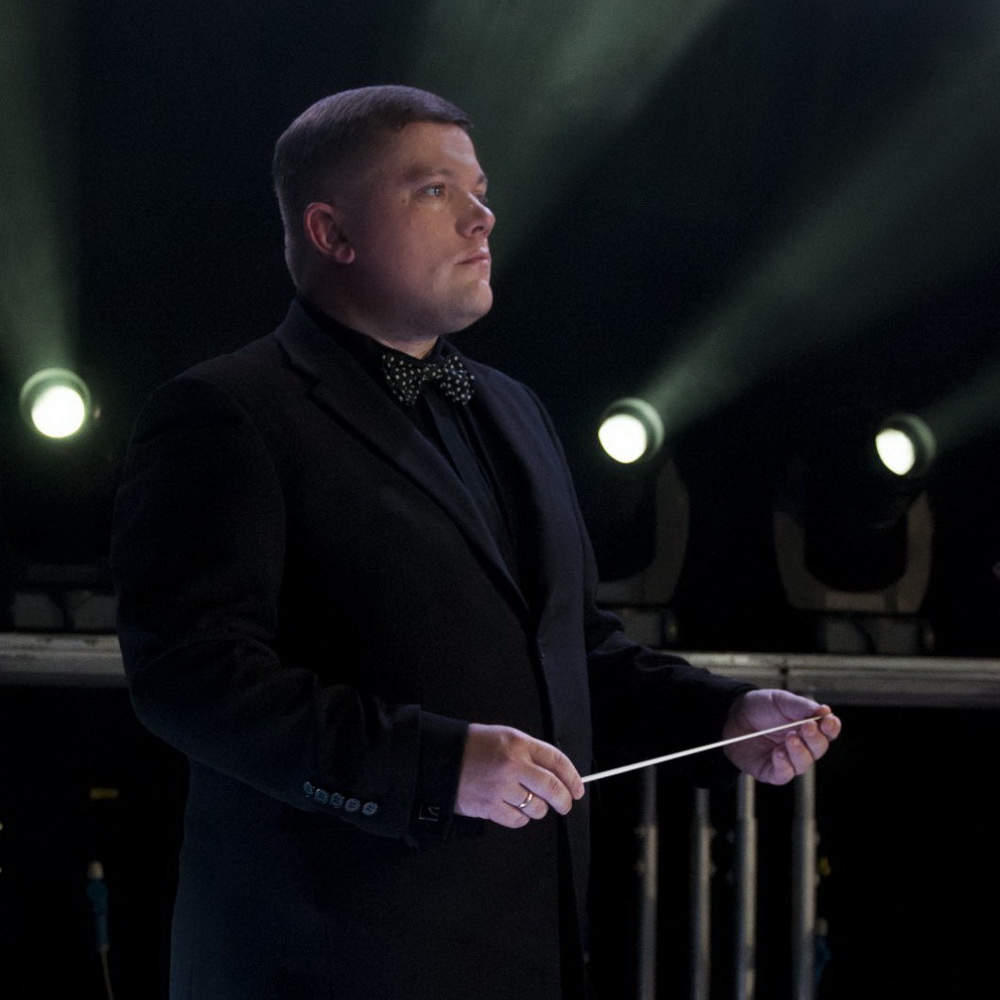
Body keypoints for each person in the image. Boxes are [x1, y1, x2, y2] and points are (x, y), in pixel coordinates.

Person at [111, 85, 840, 1000]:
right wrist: (434, 765)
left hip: (525, 960)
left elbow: (571, 651)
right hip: (322, 968)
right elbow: (192, 678)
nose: (481, 216)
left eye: (479, 190)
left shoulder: (513, 407)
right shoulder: (226, 411)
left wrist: (719, 718)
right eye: (433, 191)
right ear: (332, 232)